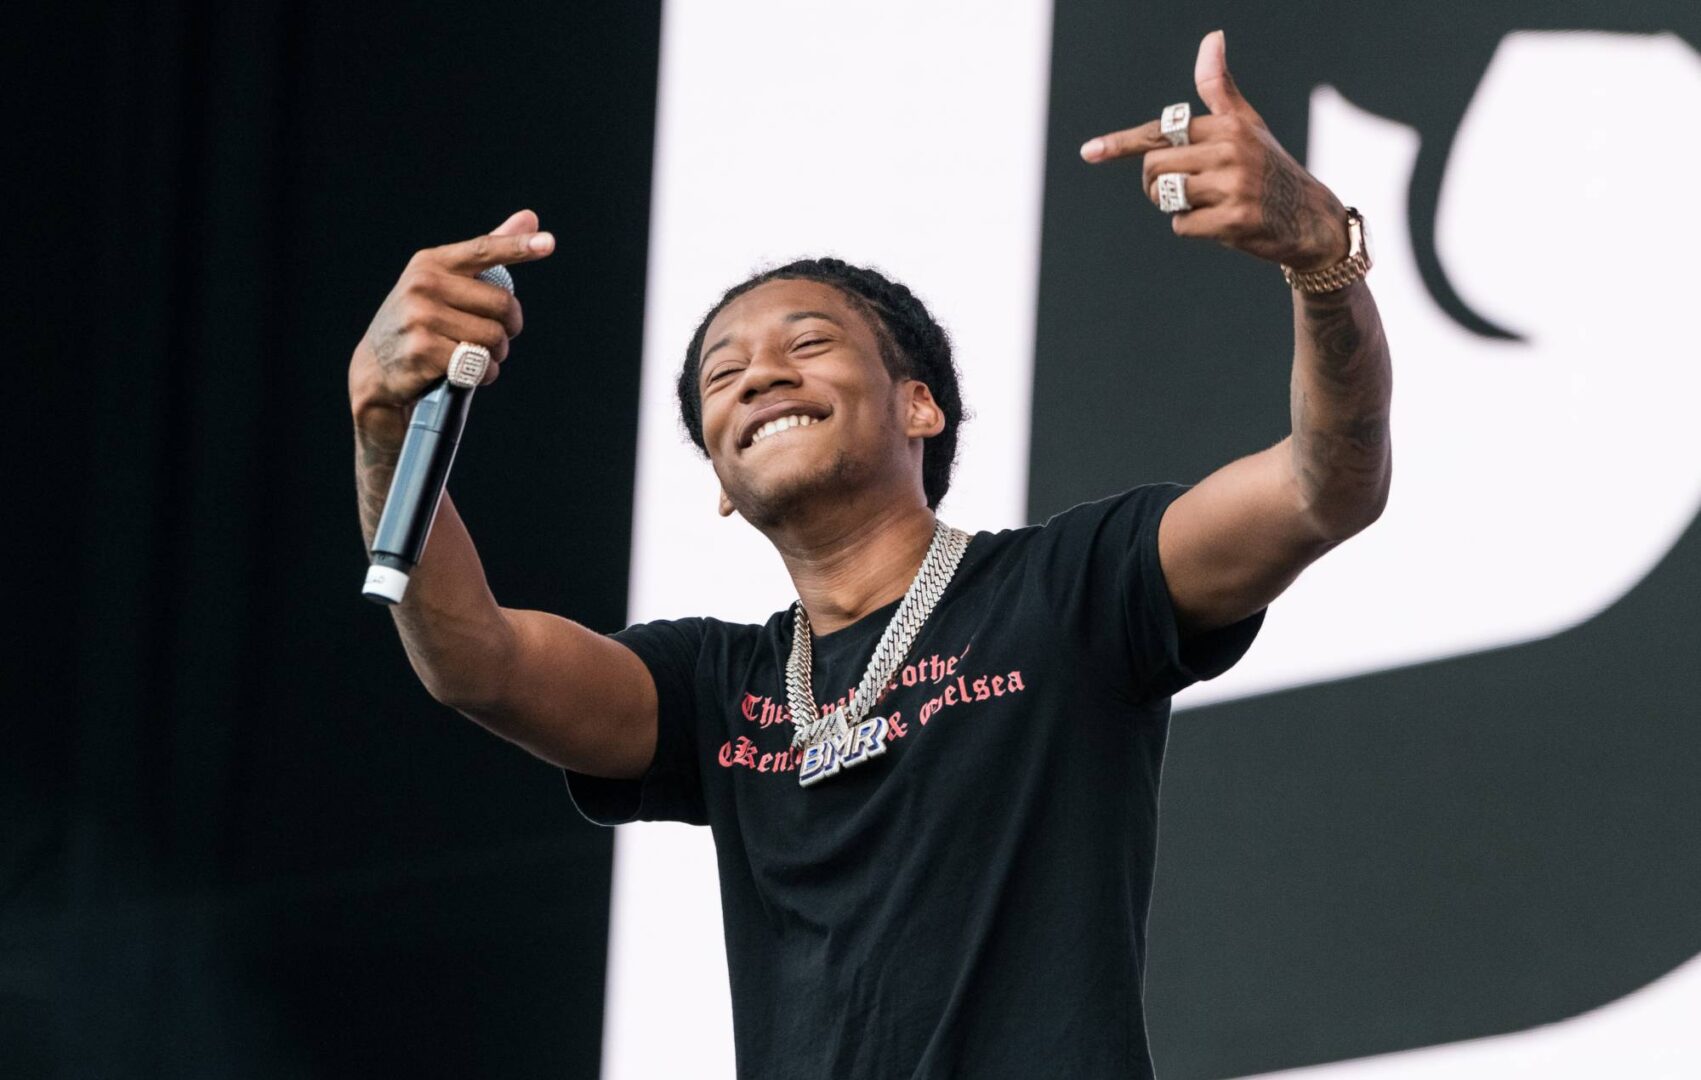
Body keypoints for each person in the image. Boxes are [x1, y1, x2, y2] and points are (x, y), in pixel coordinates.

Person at [348, 30, 1391, 1080]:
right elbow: (474, 659)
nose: (759, 378)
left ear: (919, 405)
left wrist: (1320, 254)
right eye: (723, 379)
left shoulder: (1071, 588)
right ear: (719, 477)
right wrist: (383, 423)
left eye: (806, 346)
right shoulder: (717, 689)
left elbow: (1323, 485)